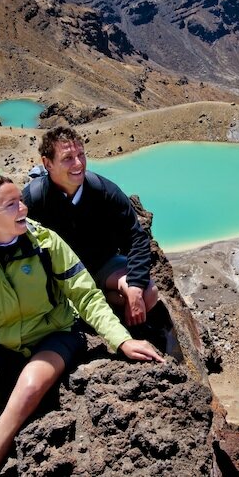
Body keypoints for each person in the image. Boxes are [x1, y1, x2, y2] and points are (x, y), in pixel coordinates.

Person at [0, 175, 162, 477]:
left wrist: (122, 340)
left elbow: (86, 295)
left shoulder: (45, 242)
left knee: (29, 389)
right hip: (2, 342)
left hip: (55, 334)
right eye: (11, 205)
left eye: (21, 201)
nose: (23, 208)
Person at [23, 127, 168, 337]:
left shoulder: (104, 191)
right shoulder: (33, 200)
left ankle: (98, 308)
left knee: (148, 293)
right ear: (47, 163)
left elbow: (136, 237)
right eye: (68, 158)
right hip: (58, 277)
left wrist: (135, 287)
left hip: (101, 266)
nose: (78, 164)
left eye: (81, 155)